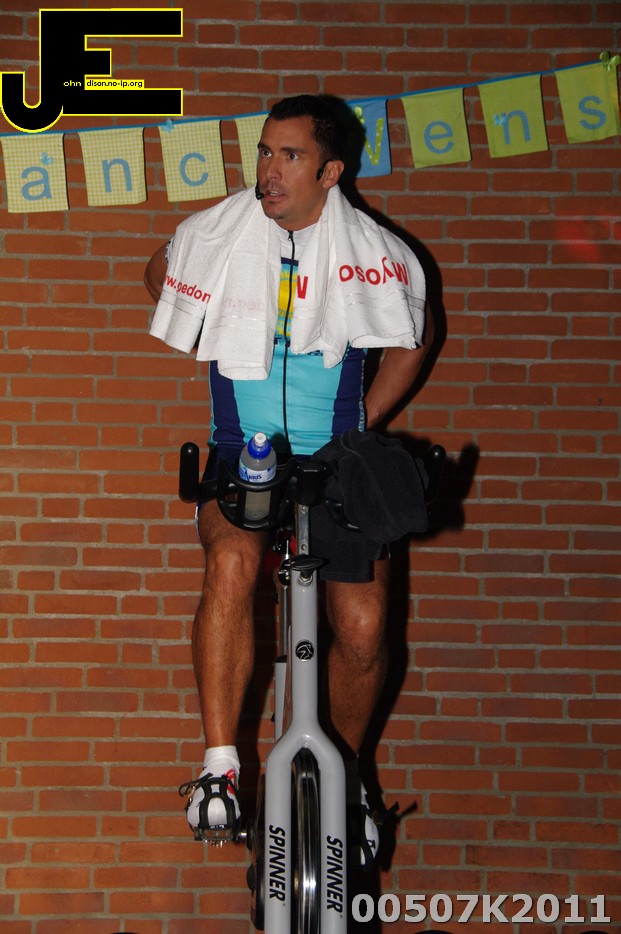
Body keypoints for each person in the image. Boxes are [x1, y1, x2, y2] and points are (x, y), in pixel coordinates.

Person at [144, 94, 433, 861]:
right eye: (265, 151)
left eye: (290, 156)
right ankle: (219, 769)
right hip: (242, 450)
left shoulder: (370, 252)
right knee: (232, 566)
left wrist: (364, 417)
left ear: (329, 171)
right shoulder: (220, 235)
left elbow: (415, 332)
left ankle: (351, 779)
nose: (269, 170)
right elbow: (160, 275)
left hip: (337, 460)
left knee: (363, 626)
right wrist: (209, 316)